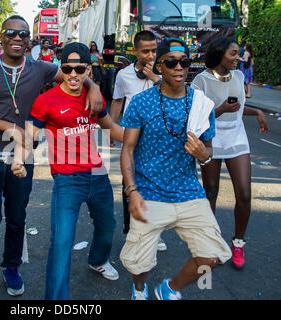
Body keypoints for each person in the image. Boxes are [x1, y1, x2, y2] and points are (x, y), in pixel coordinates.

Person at [0, 15, 103, 300]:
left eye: (23, 34)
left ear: (30, 40)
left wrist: (95, 87)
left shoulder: (40, 68)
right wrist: (10, 128)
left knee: (17, 219)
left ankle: (11, 266)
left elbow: (74, 72)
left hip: (22, 158)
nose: (17, 38)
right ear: (1, 37)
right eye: (11, 33)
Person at [119, 38, 232, 300]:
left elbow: (208, 150)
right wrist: (131, 191)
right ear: (159, 65)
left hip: (188, 192)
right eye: (171, 62)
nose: (179, 68)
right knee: (139, 264)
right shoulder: (141, 102)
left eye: (184, 62)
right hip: (148, 192)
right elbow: (127, 149)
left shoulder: (202, 105)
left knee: (211, 257)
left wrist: (204, 155)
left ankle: (170, 289)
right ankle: (138, 288)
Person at [26, 42, 124, 300]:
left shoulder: (94, 97)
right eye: (67, 68)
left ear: (87, 70)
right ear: (61, 68)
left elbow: (110, 128)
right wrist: (20, 153)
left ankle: (98, 260)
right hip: (67, 179)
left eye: (79, 69)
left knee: (107, 225)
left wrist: (141, 138)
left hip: (97, 174)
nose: (72, 74)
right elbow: (30, 134)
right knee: (61, 243)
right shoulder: (46, 101)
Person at [191, 37, 268, 270]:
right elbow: (196, 118)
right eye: (233, 54)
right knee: (211, 191)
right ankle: (210, 241)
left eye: (238, 54)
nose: (238, 58)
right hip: (211, 138)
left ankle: (238, 242)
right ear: (219, 54)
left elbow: (239, 108)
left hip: (236, 138)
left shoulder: (237, 76)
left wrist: (257, 112)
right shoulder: (201, 81)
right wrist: (222, 108)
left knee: (244, 193)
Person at [109, 30, 167, 251]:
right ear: (135, 51)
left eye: (154, 50)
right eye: (146, 51)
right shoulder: (123, 75)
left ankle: (154, 230)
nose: (151, 55)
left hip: (158, 138)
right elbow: (116, 102)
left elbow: (177, 95)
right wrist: (111, 129)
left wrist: (155, 78)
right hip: (131, 136)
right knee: (130, 183)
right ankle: (130, 230)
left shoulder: (165, 73)